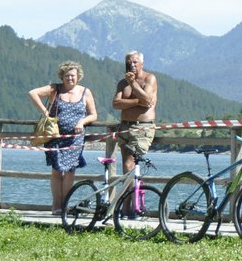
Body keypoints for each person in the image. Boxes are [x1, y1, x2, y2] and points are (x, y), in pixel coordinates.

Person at [28, 61, 97, 215]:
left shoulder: (85, 92)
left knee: (70, 171)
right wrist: (46, 112)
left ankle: (65, 205)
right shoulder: (55, 89)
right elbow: (33, 93)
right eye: (66, 76)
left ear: (78, 76)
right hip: (55, 136)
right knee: (57, 170)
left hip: (75, 138)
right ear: (62, 76)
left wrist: (82, 121)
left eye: (72, 75)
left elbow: (93, 114)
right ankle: (56, 206)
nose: (70, 78)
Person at [111, 51, 157, 176]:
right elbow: (116, 103)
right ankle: (130, 194)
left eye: (135, 62)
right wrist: (137, 101)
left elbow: (147, 101)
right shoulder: (122, 83)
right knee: (126, 166)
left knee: (129, 165)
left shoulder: (149, 78)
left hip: (142, 128)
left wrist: (133, 83)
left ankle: (132, 194)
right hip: (125, 127)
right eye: (129, 62)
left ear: (142, 63)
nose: (132, 65)